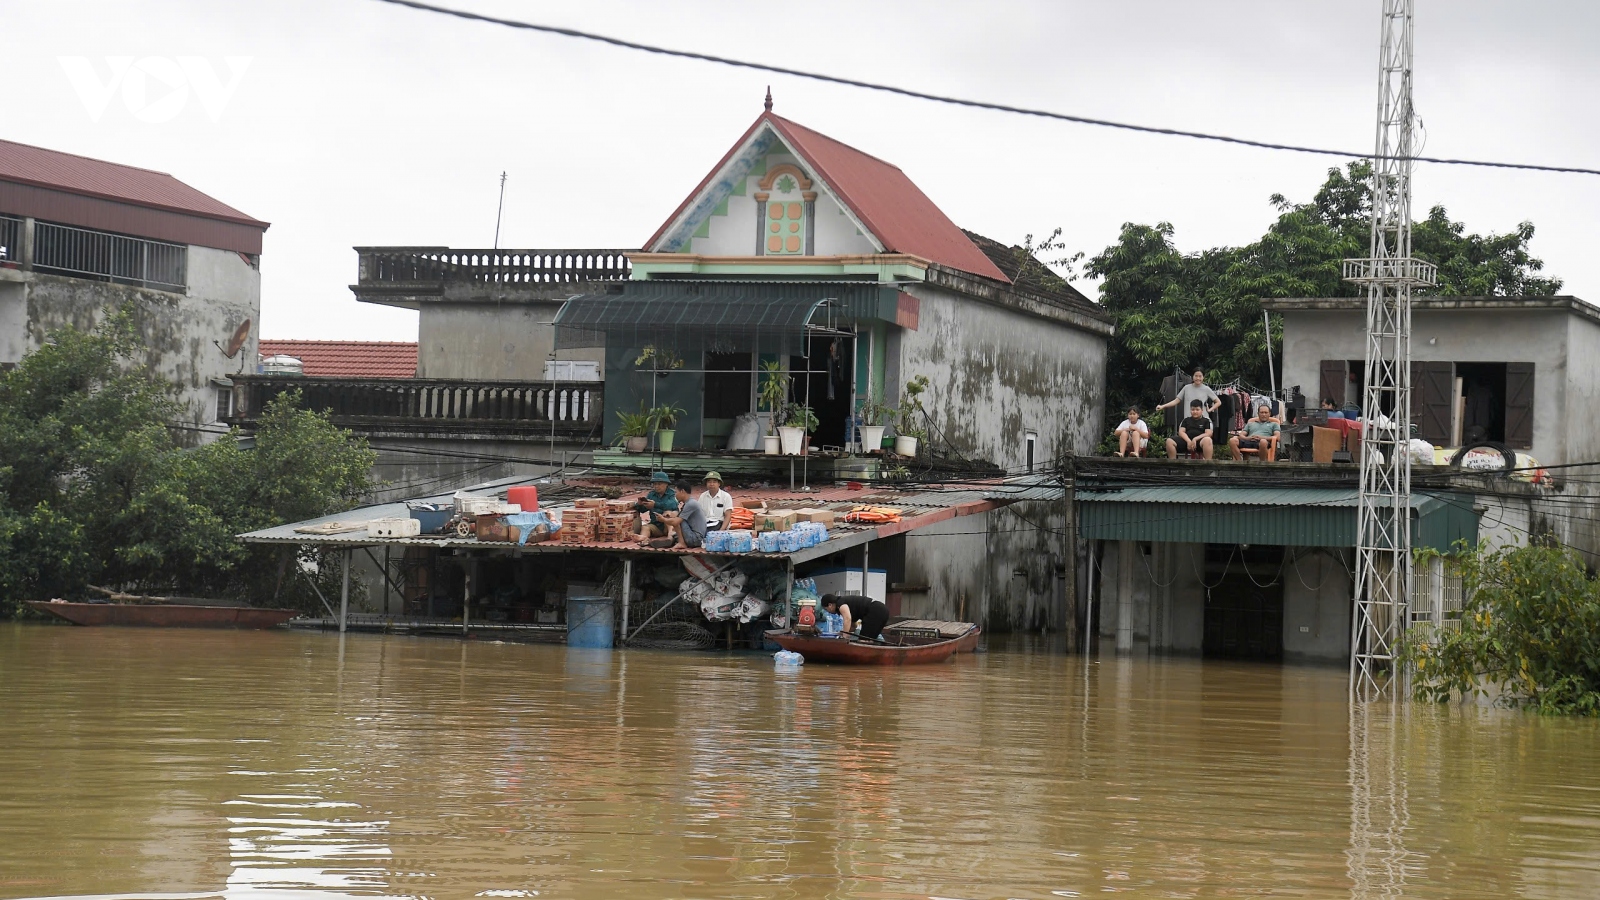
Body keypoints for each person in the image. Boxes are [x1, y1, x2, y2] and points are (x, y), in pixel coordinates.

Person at [820, 592, 890, 642]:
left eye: (826, 609)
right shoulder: (848, 604)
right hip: (882, 610)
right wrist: (842, 632)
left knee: (864, 640)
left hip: (875, 610)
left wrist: (844, 637)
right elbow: (853, 626)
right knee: (871, 639)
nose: (828, 611)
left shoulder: (840, 603)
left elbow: (847, 619)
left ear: (830, 605)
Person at [659, 480, 707, 549]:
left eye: (676, 492)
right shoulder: (688, 503)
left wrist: (663, 519)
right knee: (675, 517)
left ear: (682, 491)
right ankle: (674, 538)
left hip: (696, 539)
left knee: (678, 520)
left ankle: (681, 542)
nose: (675, 495)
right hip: (693, 536)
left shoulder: (691, 504)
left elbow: (676, 522)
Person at [633, 471, 678, 541]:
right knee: (645, 527)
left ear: (666, 484)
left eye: (659, 484)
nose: (656, 486)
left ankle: (670, 536)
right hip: (656, 525)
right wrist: (640, 504)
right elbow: (642, 510)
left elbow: (672, 505)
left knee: (668, 513)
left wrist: (655, 505)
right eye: (655, 484)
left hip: (668, 524)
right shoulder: (651, 495)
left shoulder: (672, 494)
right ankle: (643, 538)